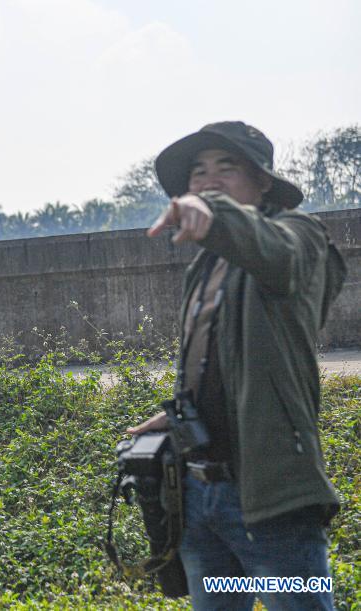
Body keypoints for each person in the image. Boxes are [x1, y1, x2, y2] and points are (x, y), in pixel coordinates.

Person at [128, 121, 346, 610]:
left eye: (227, 167)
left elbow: (278, 257)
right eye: (199, 171)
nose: (209, 179)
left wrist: (216, 213)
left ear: (263, 181)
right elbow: (225, 362)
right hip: (200, 501)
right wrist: (183, 412)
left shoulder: (300, 237)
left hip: (271, 501)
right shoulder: (205, 265)